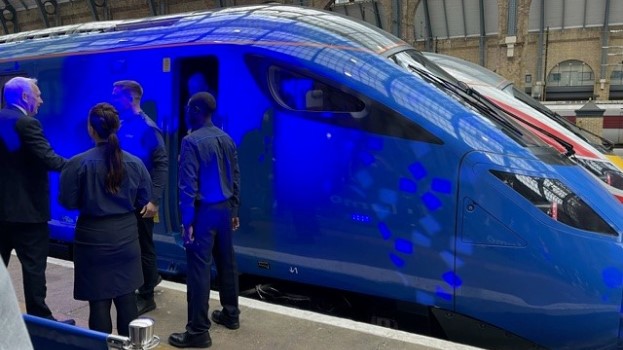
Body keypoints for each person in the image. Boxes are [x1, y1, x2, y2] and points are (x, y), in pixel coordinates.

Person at [59, 102, 152, 335]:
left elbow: (67, 202)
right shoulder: (136, 163)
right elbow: (144, 199)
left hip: (91, 240)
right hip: (127, 238)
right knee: (127, 299)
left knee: (98, 304)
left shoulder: (76, 164)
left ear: (91, 130)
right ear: (117, 127)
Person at [169, 92, 241, 349]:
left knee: (199, 270)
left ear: (197, 110)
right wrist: (233, 211)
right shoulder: (226, 138)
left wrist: (187, 221)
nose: (187, 110)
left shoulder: (191, 142)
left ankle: (198, 331)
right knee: (227, 262)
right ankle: (231, 315)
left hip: (203, 213)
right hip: (223, 211)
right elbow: (235, 177)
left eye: (189, 107)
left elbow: (188, 186)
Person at [0, 77, 74, 325]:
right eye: (38, 94)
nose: (41, 99)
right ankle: (41, 322)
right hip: (27, 215)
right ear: (24, 97)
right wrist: (81, 165)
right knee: (33, 271)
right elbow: (49, 159)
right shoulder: (26, 123)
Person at [111, 80, 168, 315]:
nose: (113, 100)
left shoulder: (148, 128)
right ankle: (141, 284)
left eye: (116, 96)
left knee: (144, 247)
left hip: (142, 201)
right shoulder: (123, 124)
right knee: (132, 247)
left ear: (130, 98)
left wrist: (154, 200)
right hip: (125, 199)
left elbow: (161, 165)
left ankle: (147, 296)